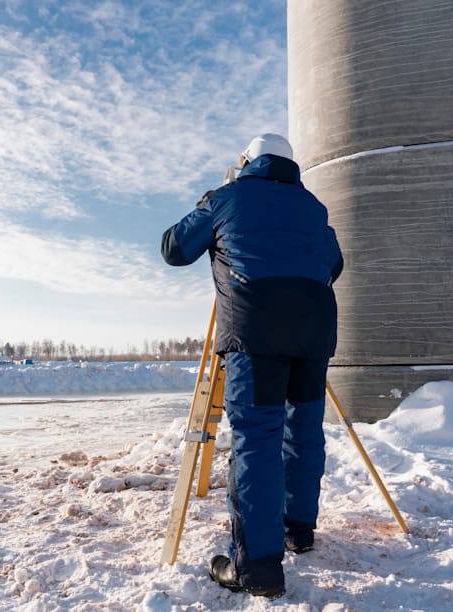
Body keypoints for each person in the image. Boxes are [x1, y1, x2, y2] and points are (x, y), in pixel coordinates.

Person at [160, 133, 343, 598]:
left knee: (257, 439)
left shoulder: (227, 197)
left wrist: (211, 205)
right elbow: (334, 263)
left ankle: (257, 567)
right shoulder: (314, 207)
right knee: (303, 427)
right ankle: (298, 530)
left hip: (256, 330)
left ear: (248, 161)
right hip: (314, 330)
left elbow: (174, 249)